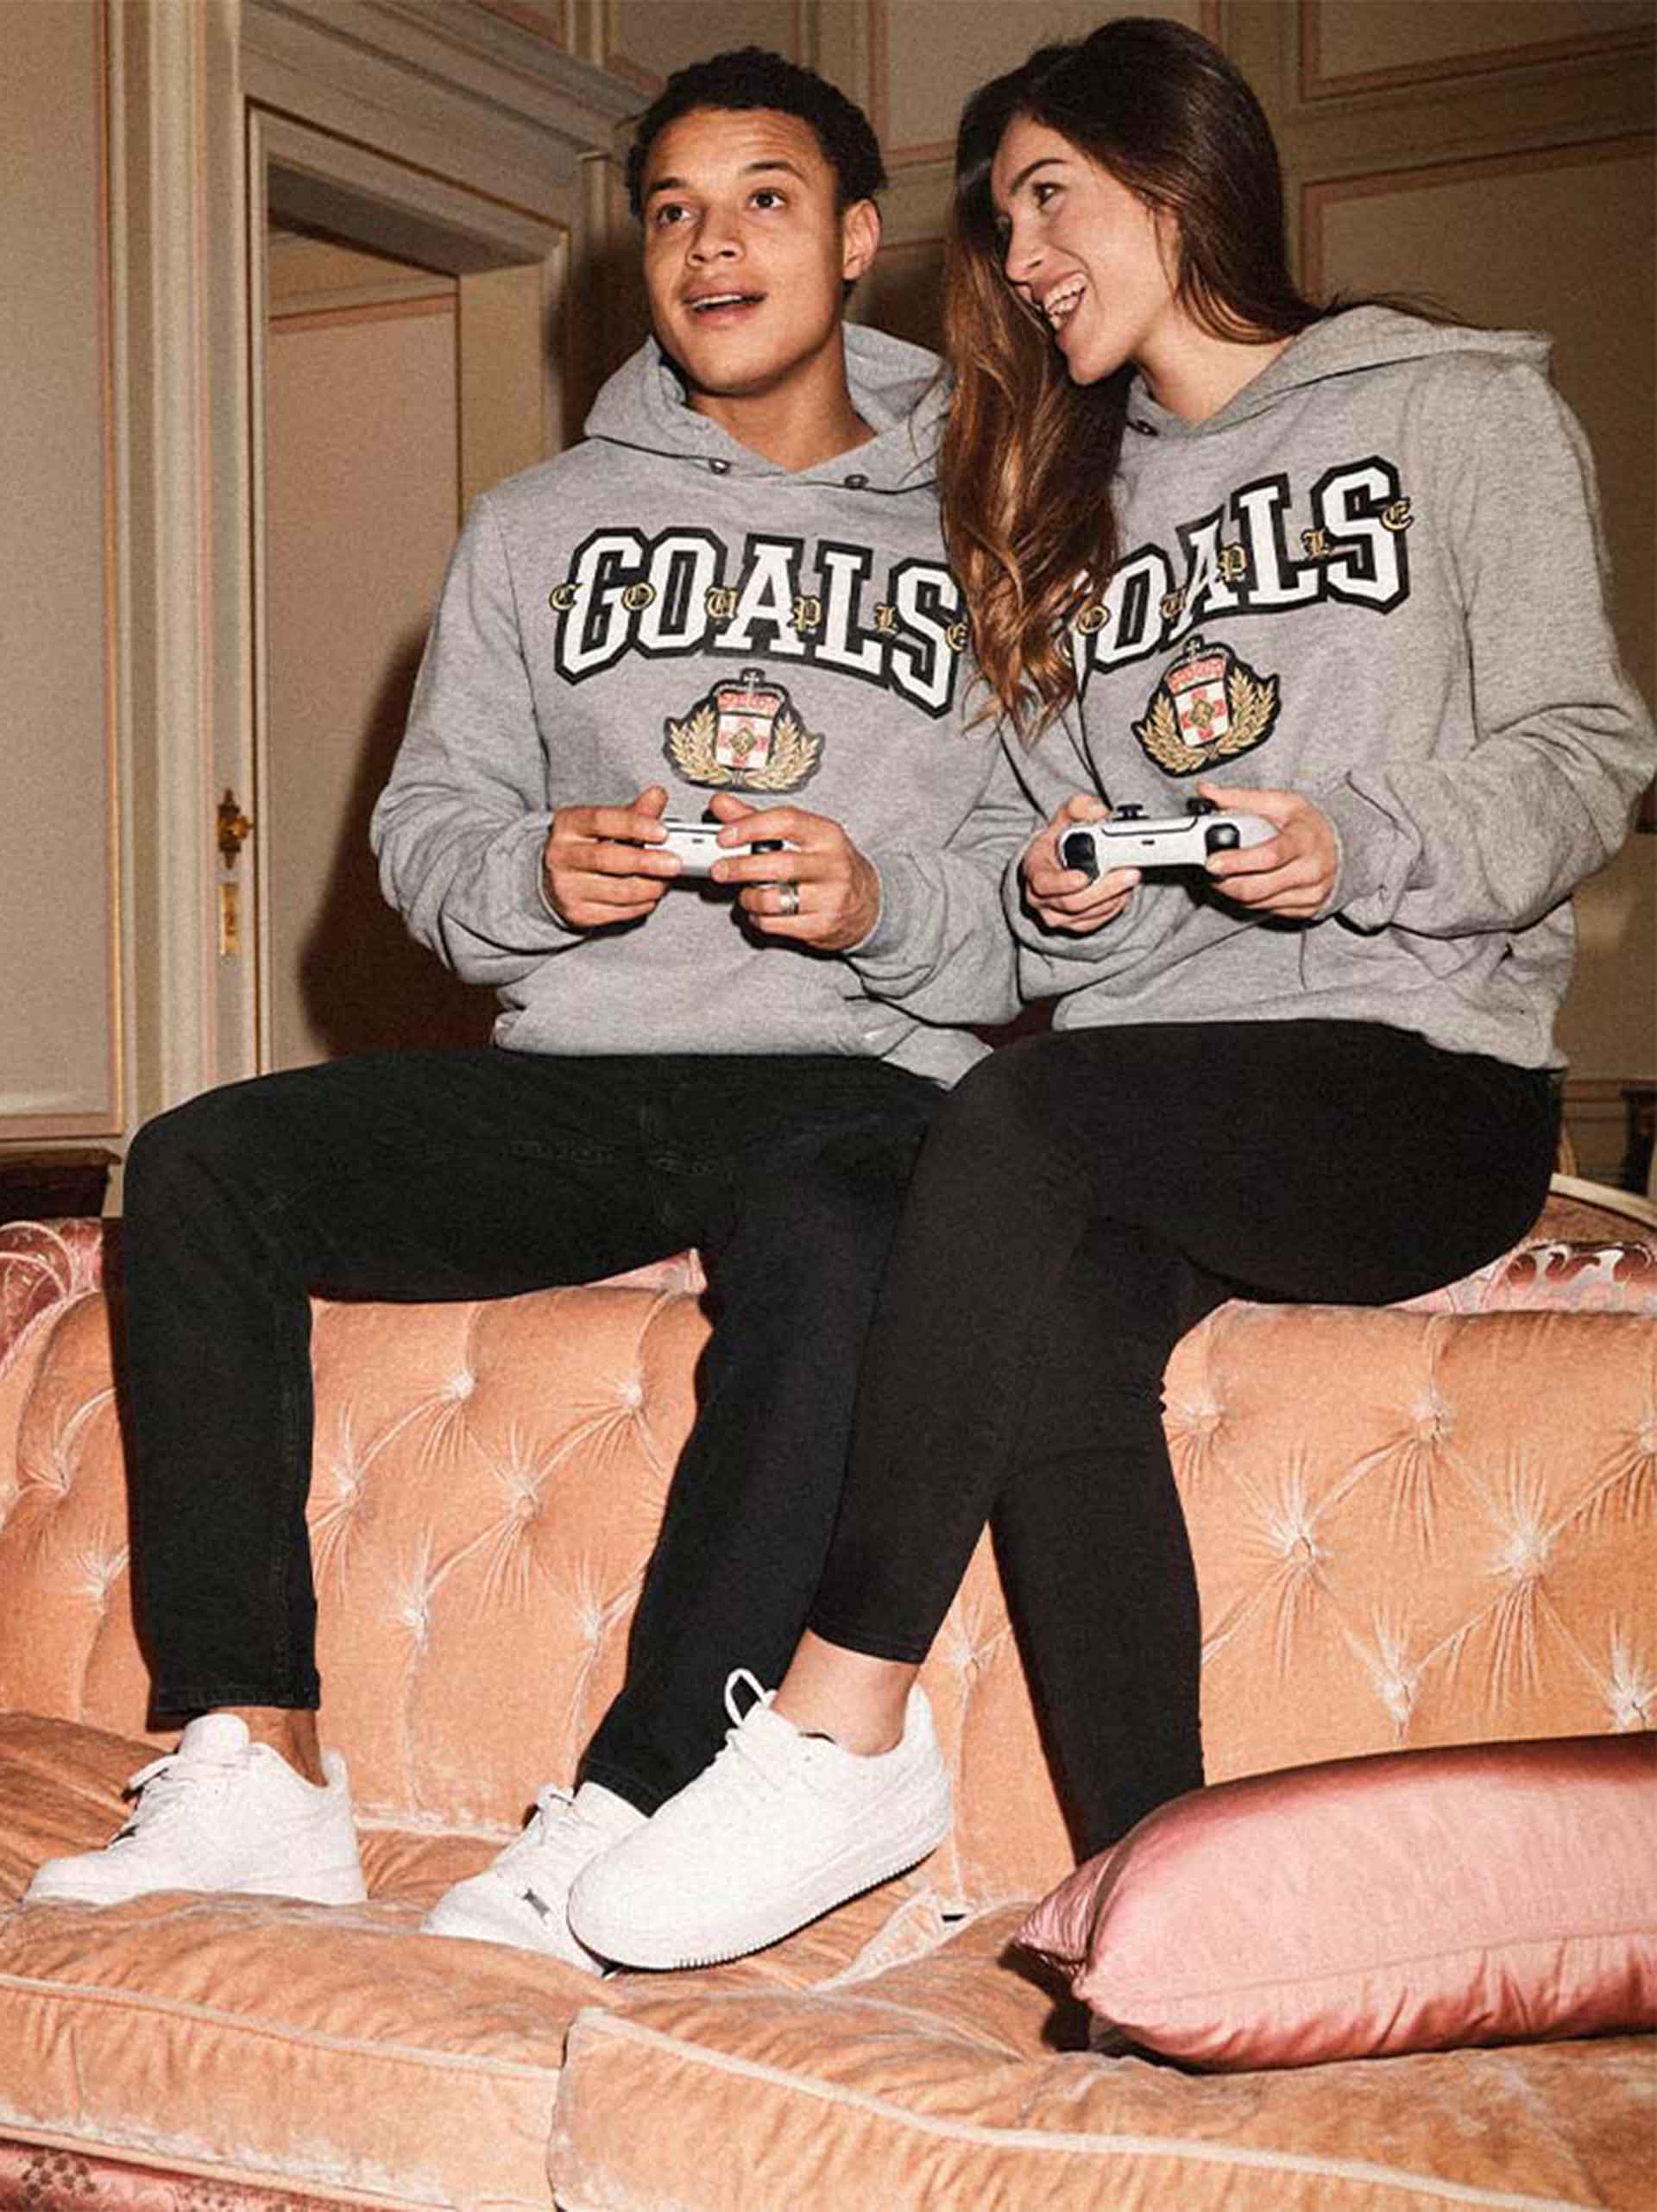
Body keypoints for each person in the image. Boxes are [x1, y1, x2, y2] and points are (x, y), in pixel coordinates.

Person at [561, 16, 1657, 1973]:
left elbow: (1588, 754)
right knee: (1057, 1317)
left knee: (1017, 1114)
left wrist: (1359, 838)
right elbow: (1030, 900)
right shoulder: (1062, 506)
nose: (1022, 257)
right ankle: (1168, 1890)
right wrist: (1060, 895)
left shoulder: (1458, 411)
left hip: (1418, 1075)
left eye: (1050, 198)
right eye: (1001, 221)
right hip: (1159, 1082)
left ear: (1180, 172)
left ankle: (841, 1712)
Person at [22, 47, 1030, 1971]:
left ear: (857, 240)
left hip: (852, 1076)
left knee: (847, 1235)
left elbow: (1041, 897)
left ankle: (640, 1805)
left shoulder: (994, 521)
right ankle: (258, 1763)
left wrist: (885, 902)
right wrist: (530, 876)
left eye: (763, 201)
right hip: (583, 1074)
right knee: (204, 1162)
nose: (711, 246)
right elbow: (426, 833)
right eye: (673, 212)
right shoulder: (534, 523)